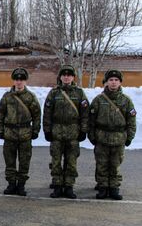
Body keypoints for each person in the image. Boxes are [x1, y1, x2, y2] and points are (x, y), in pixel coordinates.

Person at [88, 69, 137, 200]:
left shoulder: (126, 101)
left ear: (120, 82)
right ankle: (103, 187)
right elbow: (91, 120)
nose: (113, 83)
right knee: (102, 164)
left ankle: (114, 188)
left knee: (115, 164)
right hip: (101, 137)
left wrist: (130, 137)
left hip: (119, 138)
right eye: (111, 80)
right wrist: (92, 136)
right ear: (106, 82)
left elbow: (131, 121)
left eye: (116, 80)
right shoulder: (98, 100)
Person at [43, 65, 89, 199]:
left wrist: (83, 130)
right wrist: (47, 130)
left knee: (71, 161)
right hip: (57, 131)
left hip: (73, 132)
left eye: (69, 75)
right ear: (60, 77)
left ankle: (69, 186)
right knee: (56, 161)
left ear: (73, 77)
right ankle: (57, 186)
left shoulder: (79, 93)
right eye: (64, 75)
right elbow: (47, 113)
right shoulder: (54, 93)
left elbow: (85, 114)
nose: (67, 77)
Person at [0, 67, 41, 196]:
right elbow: (0, 114)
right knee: (9, 161)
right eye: (16, 79)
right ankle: (11, 184)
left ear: (25, 81)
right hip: (9, 134)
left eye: (21, 79)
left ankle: (21, 185)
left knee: (24, 161)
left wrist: (35, 131)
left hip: (25, 134)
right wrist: (0, 130)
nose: (19, 82)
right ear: (13, 81)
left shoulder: (30, 97)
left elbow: (37, 115)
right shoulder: (7, 97)